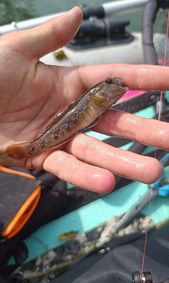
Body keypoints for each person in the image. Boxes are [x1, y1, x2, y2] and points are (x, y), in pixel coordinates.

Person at [0, 6, 169, 194]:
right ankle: (32, 148)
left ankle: (33, 147)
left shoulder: (98, 98)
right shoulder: (97, 97)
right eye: (109, 82)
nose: (115, 84)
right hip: (48, 136)